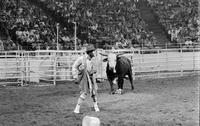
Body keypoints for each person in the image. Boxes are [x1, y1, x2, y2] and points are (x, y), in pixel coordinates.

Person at [72, 44, 100, 114]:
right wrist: (75, 76)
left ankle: (96, 107)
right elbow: (74, 66)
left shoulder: (93, 60)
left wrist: (94, 71)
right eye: (92, 52)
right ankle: (77, 108)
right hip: (84, 78)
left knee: (94, 92)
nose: (94, 53)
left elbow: (94, 69)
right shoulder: (81, 59)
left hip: (91, 78)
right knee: (84, 93)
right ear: (89, 52)